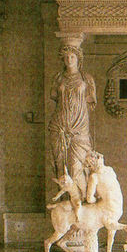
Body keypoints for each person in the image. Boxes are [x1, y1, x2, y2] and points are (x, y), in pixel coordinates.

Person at [48, 45, 95, 197]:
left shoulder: (86, 79)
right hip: (59, 125)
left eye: (72, 57)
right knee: (61, 167)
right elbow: (55, 96)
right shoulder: (58, 78)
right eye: (66, 57)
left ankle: (81, 204)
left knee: (76, 168)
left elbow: (90, 101)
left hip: (79, 127)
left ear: (78, 59)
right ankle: (66, 205)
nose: (69, 60)